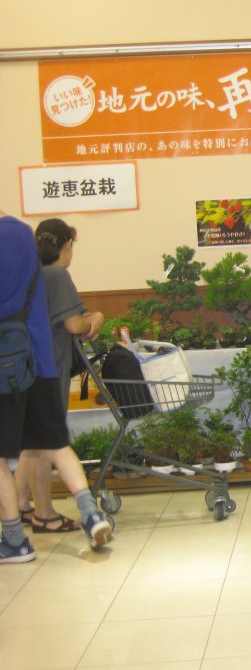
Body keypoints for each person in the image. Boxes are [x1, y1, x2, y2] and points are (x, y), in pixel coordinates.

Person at [0, 211, 111, 558]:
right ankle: (89, 511)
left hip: (6, 369)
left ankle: (15, 537)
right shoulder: (21, 236)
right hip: (43, 364)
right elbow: (72, 321)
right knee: (53, 445)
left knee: (8, 457)